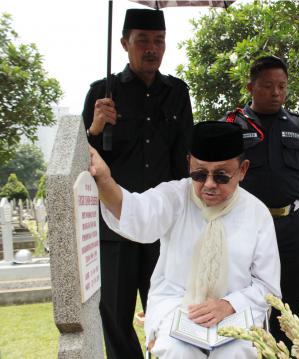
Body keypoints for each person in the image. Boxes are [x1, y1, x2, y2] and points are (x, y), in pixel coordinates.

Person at [89, 121, 281, 359]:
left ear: (242, 170)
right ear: (189, 162)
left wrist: (229, 305)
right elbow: (136, 212)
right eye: (199, 174)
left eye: (221, 176)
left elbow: (268, 287)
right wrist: (105, 180)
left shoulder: (257, 213)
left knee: (238, 351)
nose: (209, 184)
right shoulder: (175, 197)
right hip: (177, 307)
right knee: (177, 350)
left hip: (235, 312)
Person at [82, 8, 193, 358]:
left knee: (170, 308)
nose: (151, 48)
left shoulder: (177, 92)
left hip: (164, 226)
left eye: (158, 41)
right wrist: (96, 127)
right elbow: (82, 161)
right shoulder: (102, 92)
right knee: (114, 315)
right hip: (115, 227)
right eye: (142, 40)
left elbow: (186, 159)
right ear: (124, 43)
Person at [222, 55, 299, 348]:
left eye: (282, 86)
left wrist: (285, 206)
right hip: (245, 227)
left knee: (288, 300)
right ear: (250, 87)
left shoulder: (298, 127)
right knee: (243, 298)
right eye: (267, 86)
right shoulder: (233, 126)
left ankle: (286, 351)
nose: (276, 93)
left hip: (287, 227)